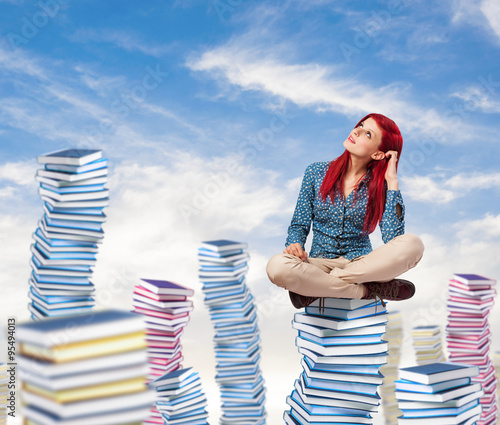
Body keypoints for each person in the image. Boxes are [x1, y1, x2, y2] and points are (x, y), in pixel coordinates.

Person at [266, 113, 424, 309]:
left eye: (367, 134)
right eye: (360, 125)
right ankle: (366, 290)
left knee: (414, 245)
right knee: (277, 266)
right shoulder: (315, 172)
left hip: (362, 265)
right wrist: (294, 244)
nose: (356, 130)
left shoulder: (381, 186)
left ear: (377, 154)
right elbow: (299, 223)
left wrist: (392, 182)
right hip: (317, 261)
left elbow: (394, 238)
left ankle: (317, 286)